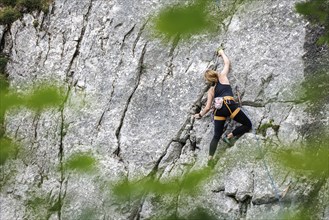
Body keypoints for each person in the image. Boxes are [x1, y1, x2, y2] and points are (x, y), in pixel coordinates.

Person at [194, 49, 252, 167]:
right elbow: (227, 63)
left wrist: (199, 115)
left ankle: (210, 159)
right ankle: (230, 136)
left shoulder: (211, 90)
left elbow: (208, 107)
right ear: (214, 73)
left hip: (219, 110)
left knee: (216, 135)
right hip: (229, 105)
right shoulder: (222, 77)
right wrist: (221, 53)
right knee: (248, 124)